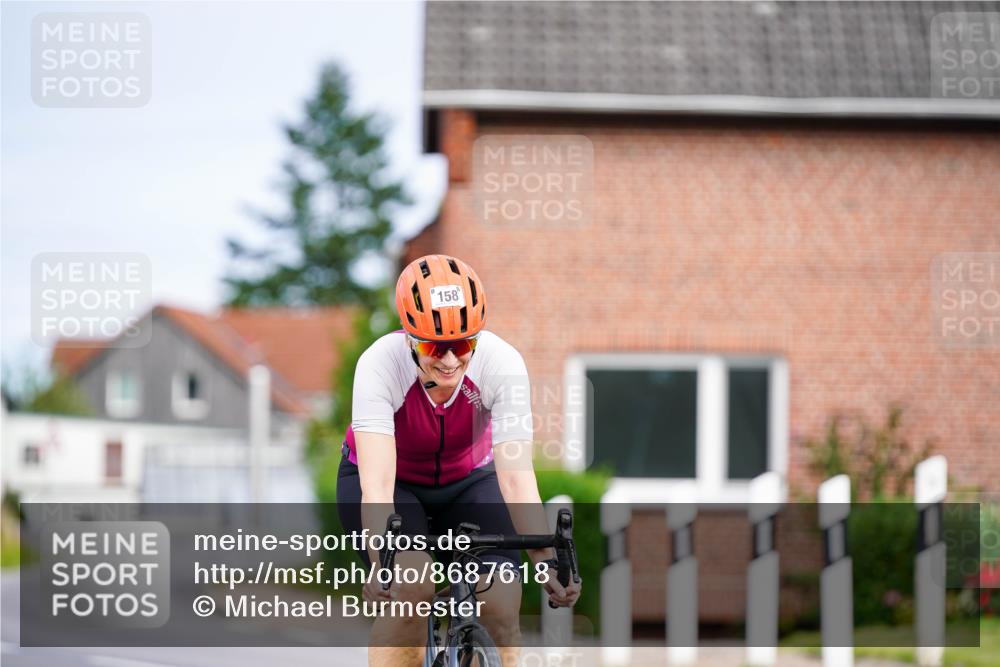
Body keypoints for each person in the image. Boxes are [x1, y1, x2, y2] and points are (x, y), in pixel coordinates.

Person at [337, 254, 581, 667]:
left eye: (463, 344)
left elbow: (517, 478)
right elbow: (377, 485)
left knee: (501, 602)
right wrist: (382, 564)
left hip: (470, 480)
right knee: (411, 590)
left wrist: (545, 563)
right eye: (435, 346)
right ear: (411, 337)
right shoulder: (380, 364)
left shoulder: (502, 364)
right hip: (394, 485)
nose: (450, 360)